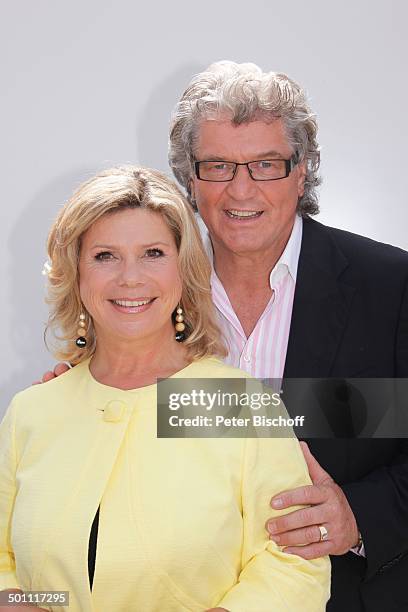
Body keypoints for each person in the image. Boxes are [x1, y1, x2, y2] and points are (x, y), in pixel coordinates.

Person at [39, 61, 408, 611]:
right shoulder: (146, 295)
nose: (241, 189)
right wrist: (87, 400)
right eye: (216, 166)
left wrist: (362, 516)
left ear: (301, 171)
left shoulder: (393, 287)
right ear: (189, 177)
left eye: (265, 164)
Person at [0, 166, 330, 612]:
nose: (130, 278)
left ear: (183, 268)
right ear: (75, 275)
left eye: (153, 253)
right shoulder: (32, 411)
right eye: (104, 256)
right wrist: (25, 604)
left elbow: (294, 561)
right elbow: (6, 563)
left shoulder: (240, 405)